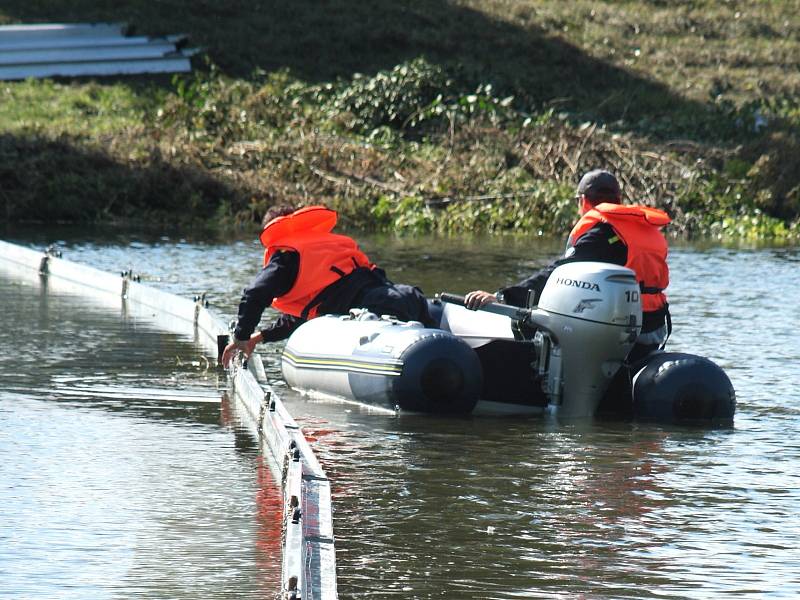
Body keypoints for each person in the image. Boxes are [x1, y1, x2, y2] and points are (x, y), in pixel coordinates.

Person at [464, 169, 671, 362]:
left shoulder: (602, 235)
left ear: (582, 200)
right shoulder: (644, 230)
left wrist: (503, 297)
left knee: (532, 320)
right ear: (619, 199)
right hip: (653, 327)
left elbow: (556, 274)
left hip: (621, 332)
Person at [221, 204, 434, 367]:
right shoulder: (330, 244)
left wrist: (241, 338)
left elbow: (254, 294)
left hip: (377, 314)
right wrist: (259, 337)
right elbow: (305, 313)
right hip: (409, 298)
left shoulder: (287, 256)